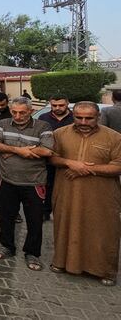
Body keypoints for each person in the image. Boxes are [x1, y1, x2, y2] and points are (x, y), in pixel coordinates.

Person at [50, 101, 121, 286]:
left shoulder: (114, 138)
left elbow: (118, 167)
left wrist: (86, 168)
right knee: (65, 224)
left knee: (103, 231)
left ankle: (104, 270)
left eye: (88, 118)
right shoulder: (60, 134)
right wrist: (69, 163)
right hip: (67, 191)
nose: (83, 121)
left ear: (98, 117)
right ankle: (62, 263)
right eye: (78, 117)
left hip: (101, 196)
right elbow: (51, 157)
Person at [0, 97, 53, 271]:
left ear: (31, 111)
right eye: (14, 112)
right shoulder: (4, 123)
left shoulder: (43, 126)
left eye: (22, 112)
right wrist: (19, 150)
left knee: (34, 220)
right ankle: (7, 246)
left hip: (33, 182)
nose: (17, 116)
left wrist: (8, 149)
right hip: (7, 179)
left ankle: (32, 253)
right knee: (6, 216)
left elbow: (47, 150)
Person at [37, 94, 74, 221]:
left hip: (69, 158)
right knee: (48, 186)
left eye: (61, 105)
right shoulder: (43, 117)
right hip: (48, 159)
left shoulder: (76, 118)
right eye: (54, 105)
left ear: (67, 103)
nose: (57, 108)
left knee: (68, 187)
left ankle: (66, 213)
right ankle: (45, 211)